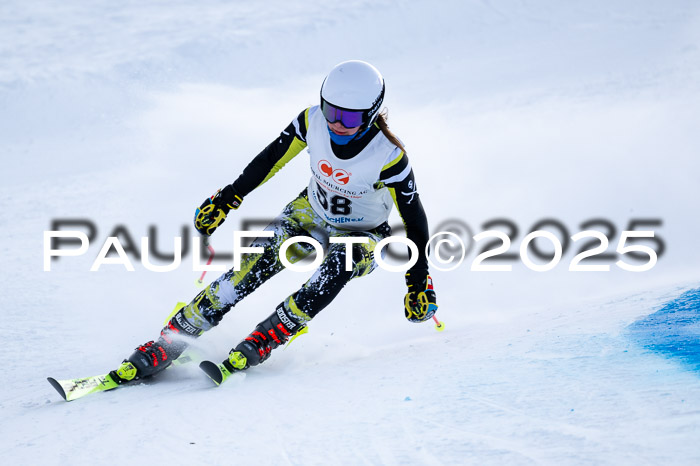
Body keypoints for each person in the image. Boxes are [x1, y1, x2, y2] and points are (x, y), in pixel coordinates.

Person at [110, 60, 438, 384]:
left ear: (369, 115)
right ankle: (173, 339)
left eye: (349, 118)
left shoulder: (389, 156)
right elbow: (269, 160)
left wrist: (417, 278)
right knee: (249, 265)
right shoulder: (312, 121)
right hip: (308, 212)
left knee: (342, 261)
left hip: (364, 232)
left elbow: (414, 218)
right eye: (331, 111)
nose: (337, 123)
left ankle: (271, 333)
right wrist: (228, 198)